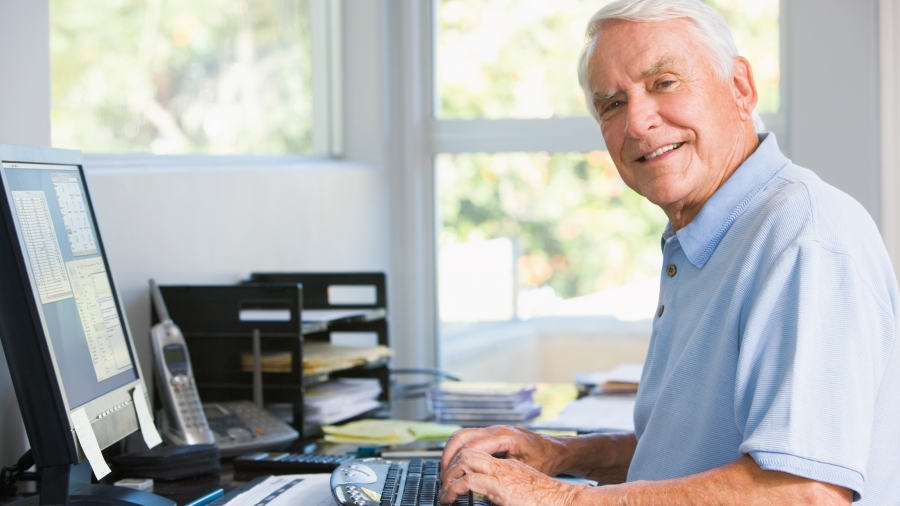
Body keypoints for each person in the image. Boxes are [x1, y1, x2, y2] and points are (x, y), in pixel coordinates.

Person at [438, 1, 900, 505]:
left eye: (664, 83)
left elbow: (804, 489)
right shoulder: (712, 232)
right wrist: (561, 456)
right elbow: (692, 457)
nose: (637, 122)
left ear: (740, 87)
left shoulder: (804, 236)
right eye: (612, 103)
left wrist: (563, 499)